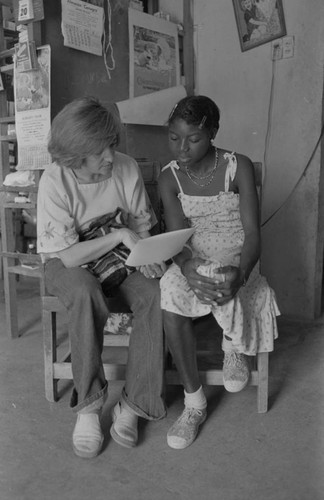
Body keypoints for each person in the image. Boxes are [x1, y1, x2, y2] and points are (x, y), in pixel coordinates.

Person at [37, 96, 166, 458]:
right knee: (84, 291)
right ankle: (90, 407)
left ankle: (133, 405)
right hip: (68, 261)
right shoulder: (55, 180)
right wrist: (121, 236)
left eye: (112, 145)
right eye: (99, 151)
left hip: (120, 257)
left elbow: (142, 228)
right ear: (75, 156)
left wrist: (149, 257)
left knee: (155, 293)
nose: (110, 156)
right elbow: (68, 255)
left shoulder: (125, 168)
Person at [158, 95, 280, 450]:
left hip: (237, 254)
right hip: (192, 254)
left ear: (212, 132)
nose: (182, 148)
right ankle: (194, 403)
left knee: (223, 273)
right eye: (174, 137)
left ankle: (232, 345)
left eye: (193, 138)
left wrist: (241, 274)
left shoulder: (236, 165)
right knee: (169, 288)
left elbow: (253, 233)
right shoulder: (169, 178)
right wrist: (185, 266)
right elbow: (176, 238)